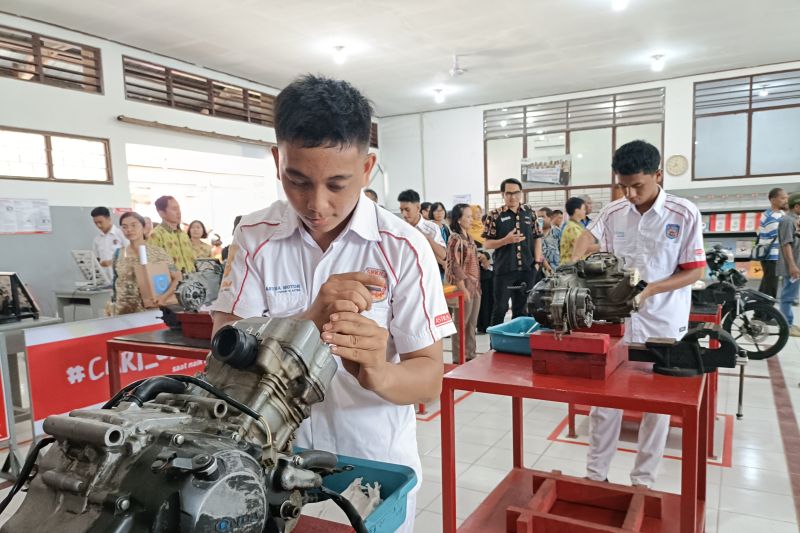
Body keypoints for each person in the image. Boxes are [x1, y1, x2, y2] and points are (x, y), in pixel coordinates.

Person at [210, 75, 455, 532]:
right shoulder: (254, 237)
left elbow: (427, 380)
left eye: (337, 184)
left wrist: (380, 371)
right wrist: (306, 324)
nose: (316, 203)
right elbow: (223, 358)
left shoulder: (402, 247)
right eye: (297, 180)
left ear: (367, 169)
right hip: (270, 460)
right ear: (276, 160)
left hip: (374, 468)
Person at [571, 140, 706, 488]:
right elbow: (586, 237)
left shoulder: (684, 213)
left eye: (638, 186)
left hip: (662, 321)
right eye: (624, 185)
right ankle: (595, 476)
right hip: (617, 322)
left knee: (656, 405)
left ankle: (643, 480)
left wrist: (649, 291)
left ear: (658, 175)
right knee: (604, 402)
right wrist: (574, 260)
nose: (630, 193)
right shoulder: (615, 211)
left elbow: (693, 271)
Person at [483, 178, 543, 325]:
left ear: (521, 193)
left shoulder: (529, 213)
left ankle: (517, 343)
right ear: (502, 194)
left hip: (527, 270)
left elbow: (537, 238)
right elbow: (487, 244)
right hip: (504, 271)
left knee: (523, 310)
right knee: (500, 309)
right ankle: (495, 345)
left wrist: (536, 263)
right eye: (508, 193)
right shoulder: (494, 215)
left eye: (516, 193)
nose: (513, 197)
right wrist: (506, 240)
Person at [112, 211, 181, 315]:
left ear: (144, 228)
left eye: (134, 225)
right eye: (124, 227)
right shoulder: (118, 254)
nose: (129, 230)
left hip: (152, 310)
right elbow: (116, 282)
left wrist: (163, 297)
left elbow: (177, 278)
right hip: (124, 312)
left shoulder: (157, 252)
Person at [446, 204, 481, 361]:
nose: (471, 219)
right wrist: (462, 289)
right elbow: (454, 264)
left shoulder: (470, 237)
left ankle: (471, 356)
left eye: (471, 216)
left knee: (472, 324)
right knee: (461, 324)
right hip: (463, 286)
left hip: (475, 286)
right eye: (467, 216)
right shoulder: (455, 238)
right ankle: (458, 359)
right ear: (459, 220)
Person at [397, 190, 447, 265]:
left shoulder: (432, 228)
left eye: (407, 210)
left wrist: (426, 238)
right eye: (401, 210)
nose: (404, 214)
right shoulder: (399, 227)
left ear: (418, 208)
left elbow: (444, 255)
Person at [148, 195, 196, 273]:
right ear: (162, 213)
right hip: (171, 283)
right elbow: (153, 266)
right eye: (174, 209)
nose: (179, 212)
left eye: (179, 208)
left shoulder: (184, 235)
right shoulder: (156, 235)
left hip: (192, 282)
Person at [755, 188, 788, 301]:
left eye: (786, 198)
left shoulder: (780, 214)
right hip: (771, 256)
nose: (786, 200)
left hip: (773, 255)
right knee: (769, 287)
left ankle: (762, 313)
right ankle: (764, 314)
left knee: (768, 285)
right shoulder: (771, 216)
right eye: (783, 198)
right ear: (773, 200)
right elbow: (780, 235)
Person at [777, 192, 800, 337]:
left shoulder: (795, 220)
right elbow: (786, 244)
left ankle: (789, 322)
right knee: (787, 296)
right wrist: (792, 266)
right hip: (792, 265)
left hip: (796, 263)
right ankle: (786, 326)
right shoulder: (787, 221)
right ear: (797, 206)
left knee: (791, 295)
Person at [90, 206, 128, 283]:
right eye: (96, 223)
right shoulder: (97, 239)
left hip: (122, 278)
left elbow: (130, 253)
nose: (98, 225)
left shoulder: (121, 234)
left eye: (100, 222)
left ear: (109, 219)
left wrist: (111, 262)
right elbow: (96, 259)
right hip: (105, 280)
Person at [559, 197, 588, 265]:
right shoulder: (572, 228)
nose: (585, 212)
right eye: (583, 209)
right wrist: (599, 246)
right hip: (571, 269)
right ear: (577, 211)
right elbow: (581, 248)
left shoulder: (577, 226)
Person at [537, 207, 561, 273]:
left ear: (550, 218)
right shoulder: (534, 233)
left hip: (555, 269)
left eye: (542, 217)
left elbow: (562, 249)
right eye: (538, 217)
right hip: (539, 270)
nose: (539, 219)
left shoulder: (557, 232)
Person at [476, 251, 494, 334]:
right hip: (482, 290)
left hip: (490, 290)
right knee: (482, 307)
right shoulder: (478, 269)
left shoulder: (492, 268)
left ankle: (488, 325)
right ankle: (482, 326)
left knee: (490, 306)